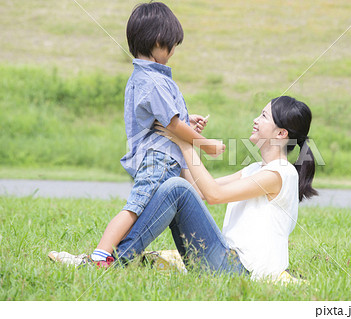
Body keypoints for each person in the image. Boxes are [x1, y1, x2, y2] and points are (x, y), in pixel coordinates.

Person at [49, 2, 225, 267]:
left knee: (172, 201)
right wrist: (206, 144)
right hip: (159, 159)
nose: (174, 51)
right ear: (157, 40)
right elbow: (173, 125)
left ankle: (109, 257)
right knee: (135, 208)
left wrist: (189, 119)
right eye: (171, 45)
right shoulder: (153, 80)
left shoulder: (145, 78)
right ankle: (100, 255)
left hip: (166, 157)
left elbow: (168, 119)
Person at [112, 96, 318, 280]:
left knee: (176, 187)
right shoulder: (255, 169)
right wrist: (183, 141)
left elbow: (215, 195)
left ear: (281, 133)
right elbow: (199, 191)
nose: (256, 120)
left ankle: (119, 258)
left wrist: (185, 142)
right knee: (176, 187)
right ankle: (119, 254)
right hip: (227, 260)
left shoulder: (281, 173)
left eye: (264, 116)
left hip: (239, 272)